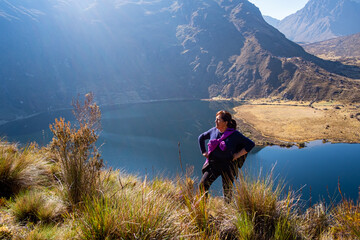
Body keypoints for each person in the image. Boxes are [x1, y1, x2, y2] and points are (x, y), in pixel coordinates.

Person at [198, 110, 255, 203]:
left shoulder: (234, 134)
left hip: (228, 166)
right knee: (203, 185)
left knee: (227, 191)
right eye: (215, 119)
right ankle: (203, 208)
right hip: (213, 165)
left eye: (218, 120)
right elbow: (201, 137)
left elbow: (250, 144)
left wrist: (237, 155)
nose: (215, 122)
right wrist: (204, 152)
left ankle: (227, 210)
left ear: (226, 122)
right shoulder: (213, 131)